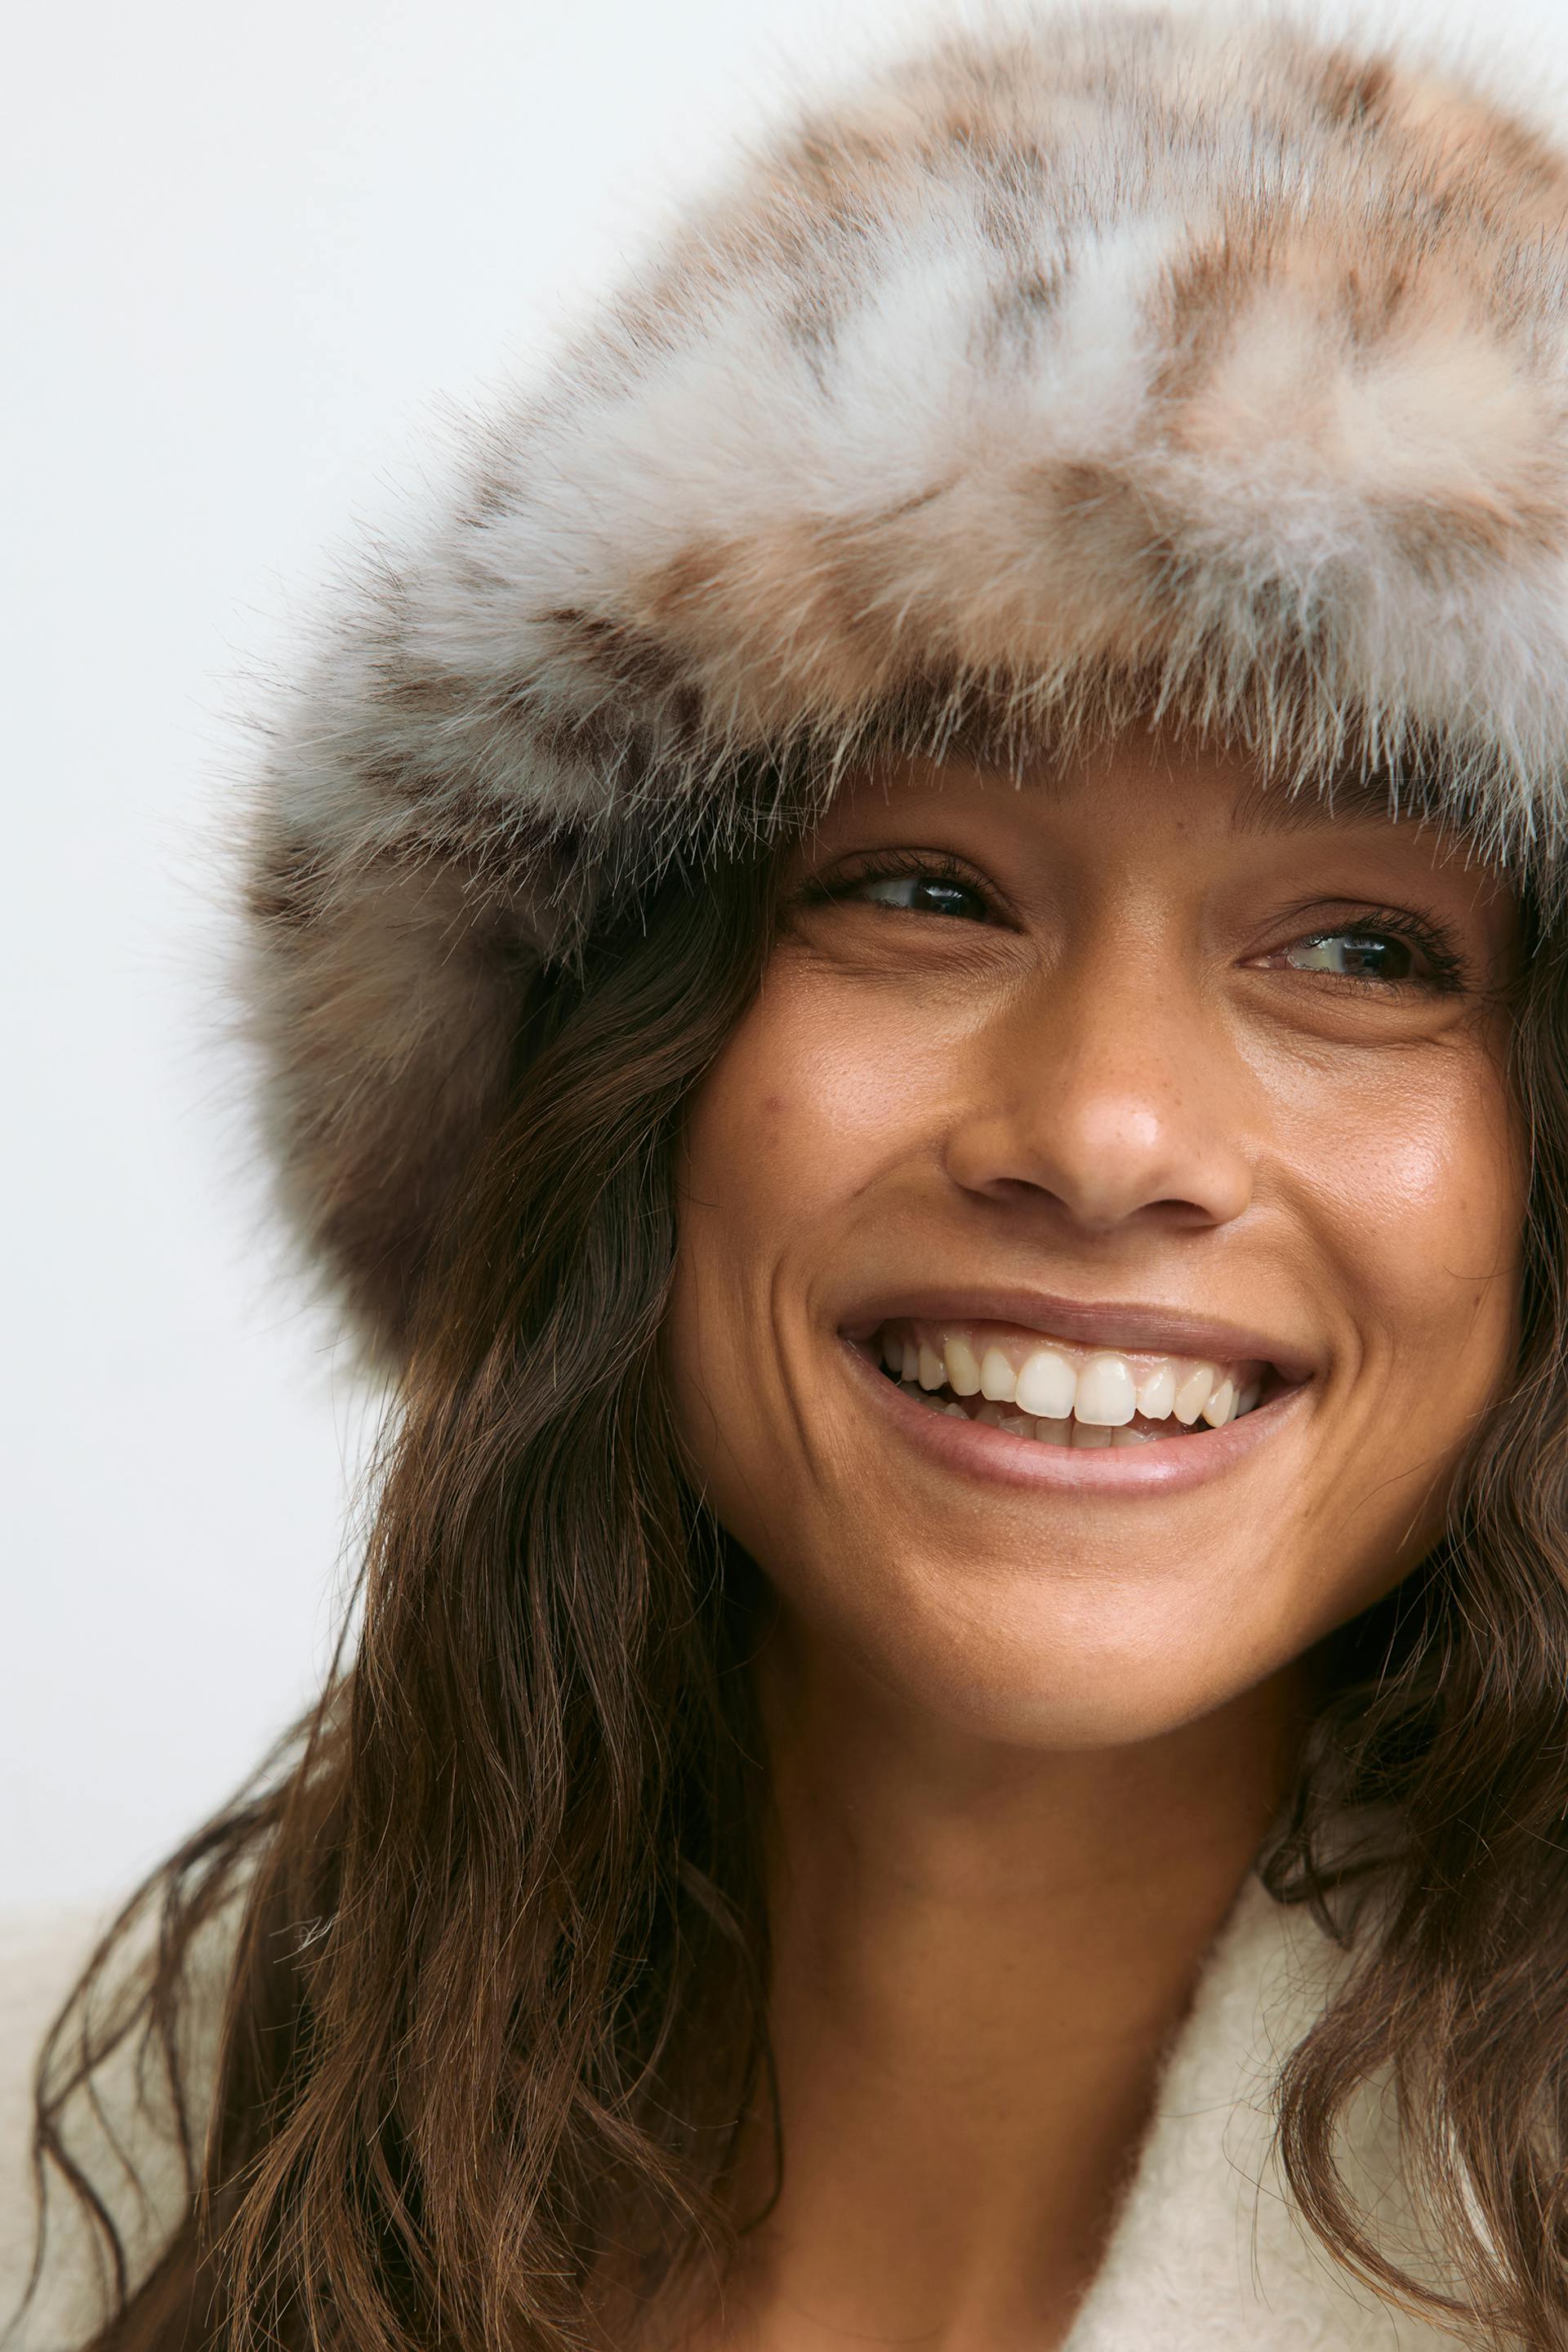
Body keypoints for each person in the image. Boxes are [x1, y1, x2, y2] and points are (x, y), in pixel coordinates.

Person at [10, 4, 1568, 2346]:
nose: (1106, 1131)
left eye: (1363, 947)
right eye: (926, 890)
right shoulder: (64, 2159)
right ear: (618, 1074)